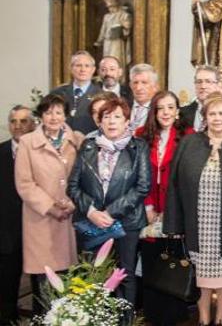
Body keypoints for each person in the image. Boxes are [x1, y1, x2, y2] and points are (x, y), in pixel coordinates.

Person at [164, 93, 222, 326]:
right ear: (205, 117)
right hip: (197, 223)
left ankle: (220, 317)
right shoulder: (190, 143)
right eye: (212, 113)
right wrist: (173, 225)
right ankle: (203, 317)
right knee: (201, 274)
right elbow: (175, 185)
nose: (217, 118)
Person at [67, 97, 150, 304]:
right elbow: (73, 186)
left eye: (117, 116)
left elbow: (142, 186)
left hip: (126, 222)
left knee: (125, 275)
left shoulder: (138, 147)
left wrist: (111, 213)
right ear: (99, 122)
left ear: (127, 121)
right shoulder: (87, 146)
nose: (112, 121)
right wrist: (92, 212)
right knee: (93, 274)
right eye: (107, 117)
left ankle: (125, 319)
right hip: (91, 222)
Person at [14, 94, 83, 315]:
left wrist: (73, 202)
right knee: (44, 282)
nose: (53, 117)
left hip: (71, 217)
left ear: (65, 115)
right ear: (41, 115)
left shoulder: (77, 140)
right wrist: (51, 207)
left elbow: (87, 178)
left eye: (58, 112)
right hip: (40, 219)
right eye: (48, 112)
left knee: (69, 281)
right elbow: (24, 184)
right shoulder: (27, 142)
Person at [136, 91, 194, 326]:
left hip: (175, 211)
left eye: (171, 107)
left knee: (174, 261)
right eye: (161, 108)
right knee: (151, 260)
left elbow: (188, 177)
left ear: (177, 110)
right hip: (148, 210)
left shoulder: (189, 136)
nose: (166, 113)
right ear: (154, 111)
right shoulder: (141, 136)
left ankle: (174, 314)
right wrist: (148, 206)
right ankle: (153, 314)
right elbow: (138, 174)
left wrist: (171, 210)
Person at [0, 106, 35, 325]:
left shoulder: (41, 150)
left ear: (33, 124)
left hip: (38, 227)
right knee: (7, 281)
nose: (18, 126)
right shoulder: (1, 151)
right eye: (13, 121)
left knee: (42, 280)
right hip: (8, 230)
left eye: (23, 121)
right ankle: (7, 319)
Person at [50, 50, 102, 134]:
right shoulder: (57, 93)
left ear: (93, 70)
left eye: (87, 66)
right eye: (78, 65)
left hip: (90, 143)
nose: (82, 69)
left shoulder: (102, 95)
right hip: (61, 143)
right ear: (71, 68)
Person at [180, 65, 222, 131]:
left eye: (208, 81)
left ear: (218, 85)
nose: (203, 86)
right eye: (199, 82)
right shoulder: (183, 113)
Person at [94, 0, 132, 69]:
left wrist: (123, 25)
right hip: (107, 42)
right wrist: (99, 41)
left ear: (116, 5)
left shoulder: (123, 14)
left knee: (116, 60)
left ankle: (119, 78)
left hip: (117, 42)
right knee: (106, 60)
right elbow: (103, 29)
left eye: (112, 7)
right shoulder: (106, 16)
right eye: (109, 7)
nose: (110, 9)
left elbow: (128, 27)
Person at [128, 63, 159, 132]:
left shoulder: (159, 110)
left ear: (155, 87)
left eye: (144, 83)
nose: (138, 88)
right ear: (130, 85)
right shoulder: (122, 107)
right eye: (135, 82)